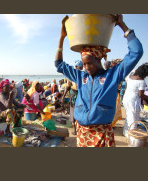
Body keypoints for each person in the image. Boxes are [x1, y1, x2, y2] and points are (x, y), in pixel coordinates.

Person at [55, 15, 143, 147]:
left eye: (89, 63)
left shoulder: (112, 75)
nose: (86, 67)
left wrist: (122, 25)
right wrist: (62, 37)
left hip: (101, 133)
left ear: (99, 59)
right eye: (84, 64)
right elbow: (59, 64)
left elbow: (136, 52)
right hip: (82, 133)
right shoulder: (81, 77)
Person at [123, 63, 148, 137]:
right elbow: (141, 95)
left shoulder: (130, 77)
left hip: (126, 99)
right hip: (133, 101)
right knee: (133, 118)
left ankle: (126, 132)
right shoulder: (141, 82)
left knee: (128, 116)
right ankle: (131, 136)